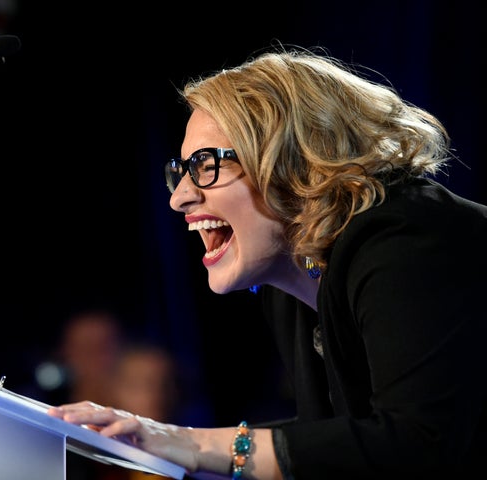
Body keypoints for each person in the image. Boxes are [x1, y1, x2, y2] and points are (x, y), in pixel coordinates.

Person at [48, 45, 487, 479]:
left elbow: (417, 444)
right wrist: (167, 438)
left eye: (205, 165)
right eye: (179, 170)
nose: (179, 196)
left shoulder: (407, 238)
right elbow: (336, 438)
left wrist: (192, 444)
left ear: (296, 160)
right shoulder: (295, 275)